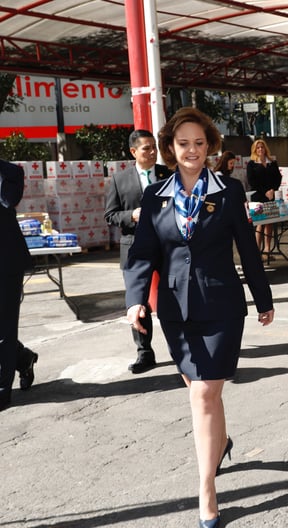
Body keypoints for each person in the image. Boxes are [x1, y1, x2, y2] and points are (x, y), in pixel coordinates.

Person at [124, 108, 275, 528]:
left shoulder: (227, 189)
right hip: (175, 310)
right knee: (203, 391)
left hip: (222, 305)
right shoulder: (156, 195)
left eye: (200, 142)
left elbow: (247, 246)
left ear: (209, 146)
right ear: (170, 149)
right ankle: (220, 443)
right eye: (183, 143)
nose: (192, 150)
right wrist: (136, 299)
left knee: (204, 394)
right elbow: (143, 253)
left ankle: (205, 487)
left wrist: (263, 298)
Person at [104, 129, 170, 374]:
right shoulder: (120, 180)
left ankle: (182, 345)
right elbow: (110, 215)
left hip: (166, 247)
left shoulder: (167, 175)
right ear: (134, 152)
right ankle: (145, 352)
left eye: (154, 147)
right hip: (134, 248)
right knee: (138, 301)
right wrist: (131, 215)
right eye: (147, 148)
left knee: (174, 294)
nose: (153, 152)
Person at [0, 159, 38, 411]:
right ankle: (23, 358)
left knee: (4, 328)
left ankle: (3, 390)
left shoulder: (11, 172)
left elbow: (6, 200)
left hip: (5, 261)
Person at [246, 139, 281, 256]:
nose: (260, 149)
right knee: (260, 224)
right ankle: (257, 252)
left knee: (269, 224)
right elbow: (252, 181)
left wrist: (272, 190)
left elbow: (278, 178)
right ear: (255, 150)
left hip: (271, 196)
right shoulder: (251, 164)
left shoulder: (272, 162)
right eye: (258, 147)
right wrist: (265, 192)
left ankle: (267, 249)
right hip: (258, 197)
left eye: (262, 147)